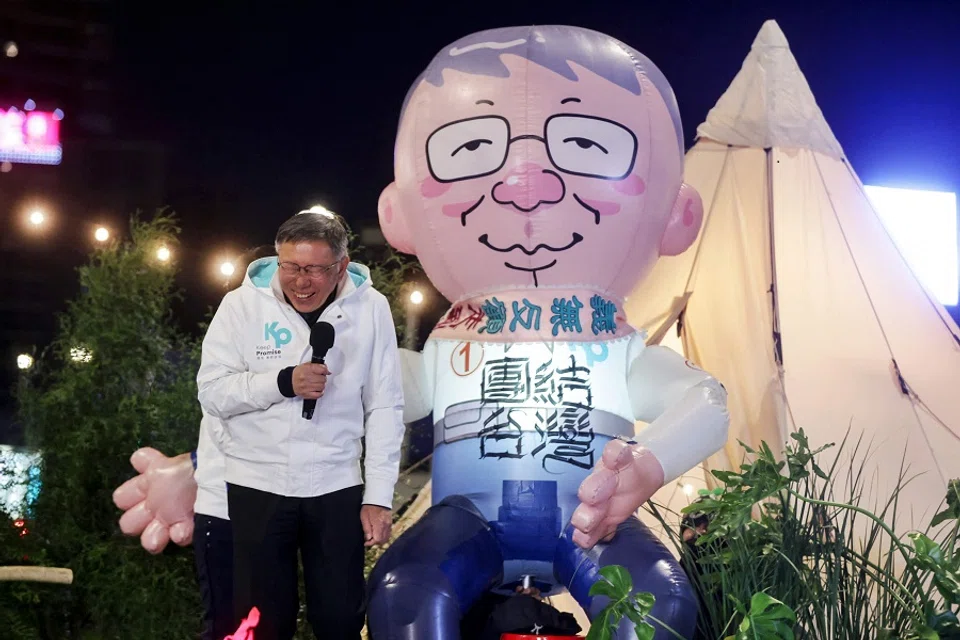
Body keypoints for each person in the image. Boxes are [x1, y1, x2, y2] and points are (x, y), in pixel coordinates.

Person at [197, 208, 405, 640]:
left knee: (340, 618)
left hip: (335, 483)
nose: (300, 281)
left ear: (341, 266)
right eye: (290, 266)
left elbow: (385, 405)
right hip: (256, 481)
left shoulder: (371, 309)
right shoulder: (241, 305)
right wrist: (282, 382)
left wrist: (379, 496)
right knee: (260, 622)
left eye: (314, 269)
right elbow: (213, 393)